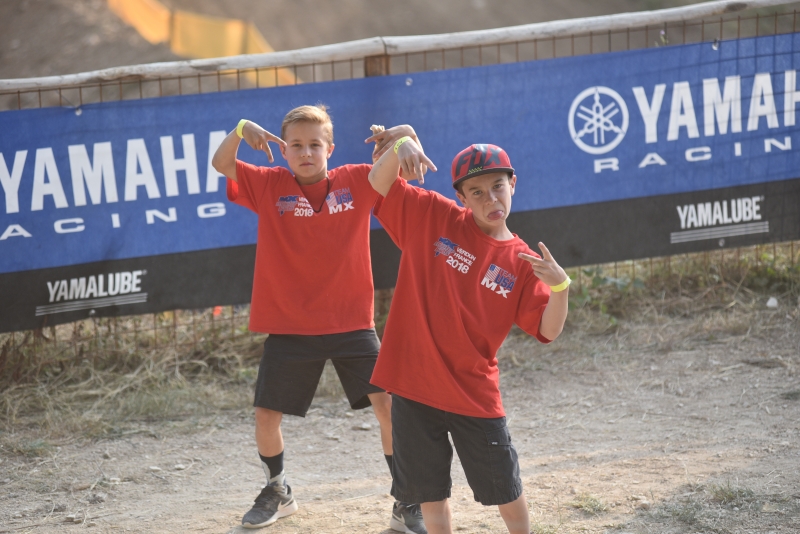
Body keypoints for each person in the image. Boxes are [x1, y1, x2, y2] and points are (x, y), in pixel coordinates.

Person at [211, 105, 427, 533]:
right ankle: (277, 490)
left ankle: (406, 500)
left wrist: (405, 135)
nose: (306, 152)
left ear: (331, 149)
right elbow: (222, 163)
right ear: (284, 151)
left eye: (315, 144)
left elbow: (406, 162)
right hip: (290, 327)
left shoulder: (359, 180)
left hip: (352, 324)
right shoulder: (269, 184)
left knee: (389, 407)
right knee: (265, 415)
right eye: (296, 145)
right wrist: (240, 129)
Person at [366, 139, 570, 534]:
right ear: (460, 197)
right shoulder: (432, 216)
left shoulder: (522, 262)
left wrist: (561, 288)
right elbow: (378, 181)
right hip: (414, 385)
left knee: (505, 488)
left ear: (513, 184)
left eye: (498, 186)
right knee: (431, 496)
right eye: (476, 192)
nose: (490, 198)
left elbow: (548, 329)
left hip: (474, 394)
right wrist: (403, 141)